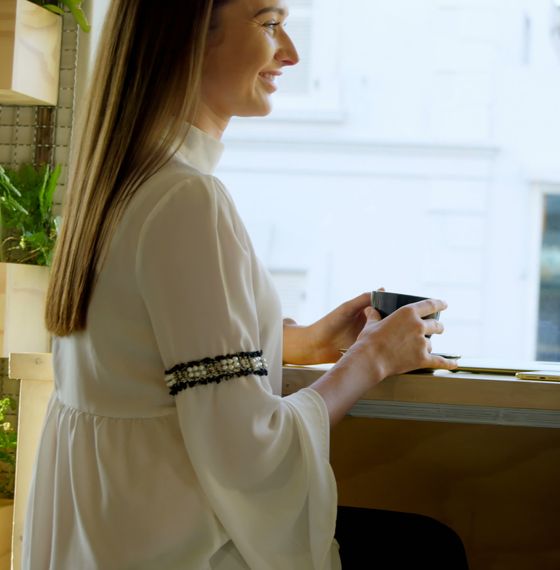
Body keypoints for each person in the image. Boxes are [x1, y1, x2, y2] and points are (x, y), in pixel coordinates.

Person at [29, 1, 466, 568]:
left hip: (108, 539)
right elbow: (247, 451)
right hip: (174, 546)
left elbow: (139, 367)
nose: (290, 52)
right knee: (428, 550)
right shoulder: (187, 200)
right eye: (268, 24)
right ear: (188, 37)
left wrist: (300, 343)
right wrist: (370, 360)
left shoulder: (115, 187)